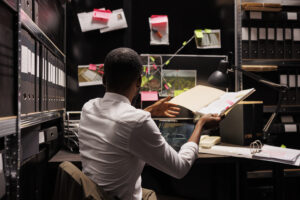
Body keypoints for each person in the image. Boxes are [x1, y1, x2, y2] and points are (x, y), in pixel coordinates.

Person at [78, 47, 222, 200]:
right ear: (139, 81)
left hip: (95, 195)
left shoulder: (88, 107)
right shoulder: (138, 121)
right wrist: (200, 124)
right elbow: (180, 168)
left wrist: (147, 111)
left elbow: (119, 124)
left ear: (104, 79)